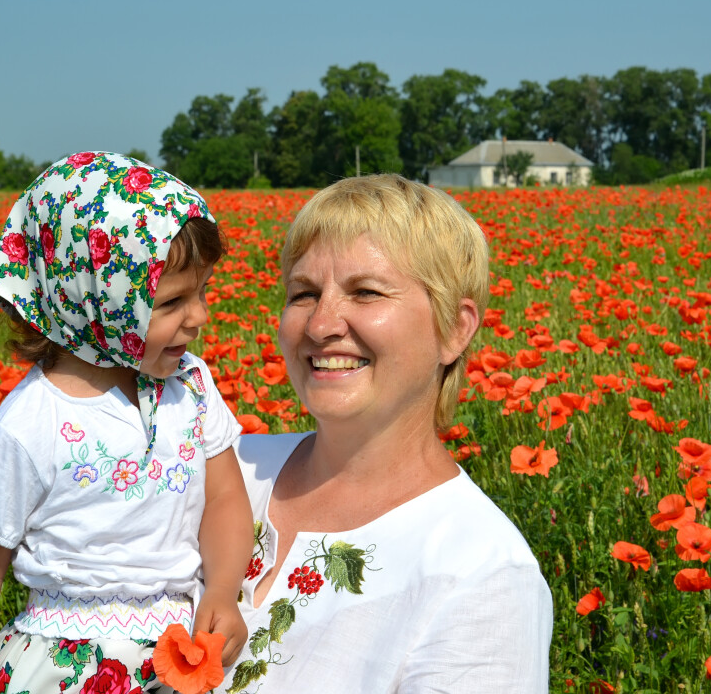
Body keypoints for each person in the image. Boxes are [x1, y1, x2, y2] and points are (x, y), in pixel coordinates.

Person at [220, 174, 552, 693]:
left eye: (366, 292)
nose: (321, 324)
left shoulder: (480, 570)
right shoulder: (224, 469)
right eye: (303, 293)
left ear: (455, 329)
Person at [0, 152, 253, 694]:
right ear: (97, 302)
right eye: (174, 301)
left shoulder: (192, 388)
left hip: (183, 651)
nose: (200, 317)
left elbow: (225, 497)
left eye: (201, 293)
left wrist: (223, 590)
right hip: (62, 665)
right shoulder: (27, 426)